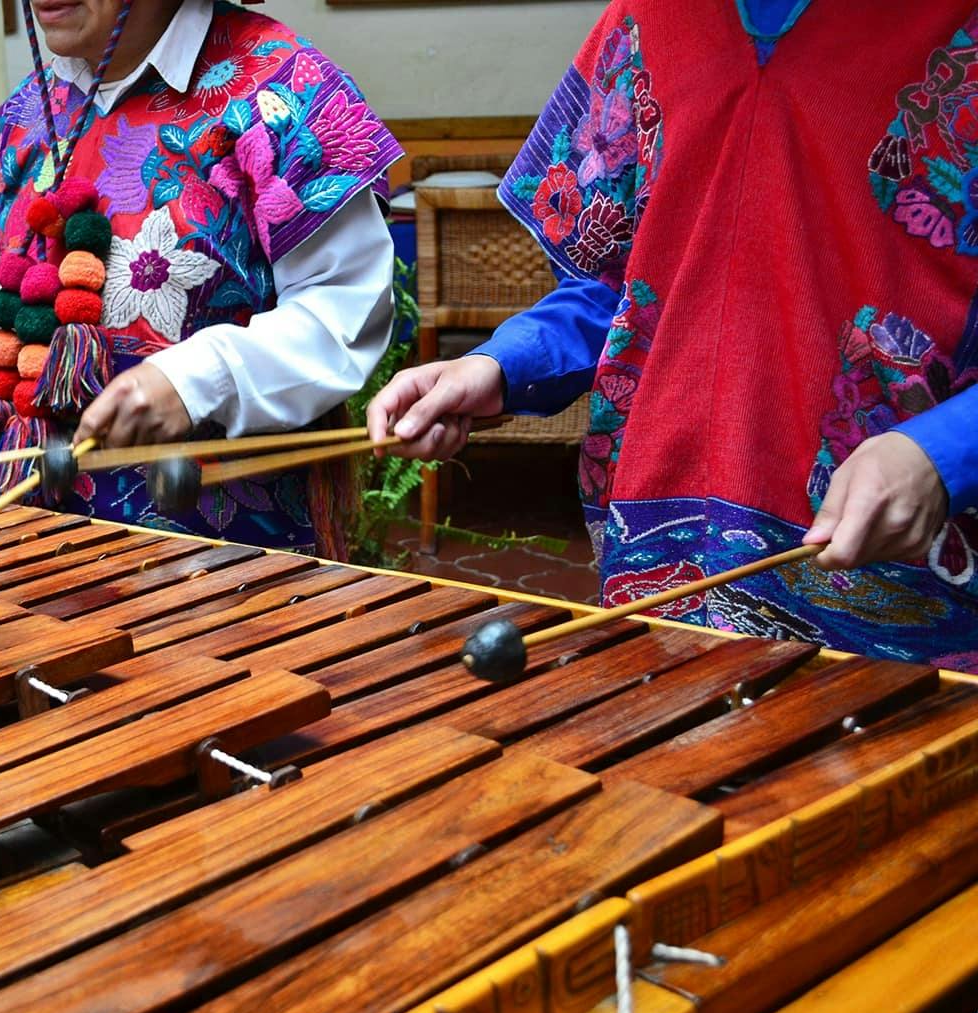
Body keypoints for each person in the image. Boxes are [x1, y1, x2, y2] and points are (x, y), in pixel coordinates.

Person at [368, 0, 978, 669]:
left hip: (908, 595)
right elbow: (624, 282)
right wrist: (501, 364)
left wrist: (948, 452)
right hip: (659, 567)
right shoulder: (642, 22)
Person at [0, 0, 402, 557]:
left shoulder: (286, 88)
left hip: (228, 564)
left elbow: (343, 314)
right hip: (43, 544)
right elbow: (24, 278)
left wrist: (197, 380)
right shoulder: (29, 111)